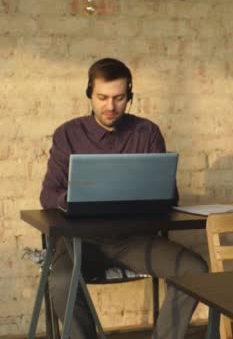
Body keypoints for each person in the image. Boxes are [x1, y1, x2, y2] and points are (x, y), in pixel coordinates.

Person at [40, 58, 208, 339]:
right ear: (89, 95)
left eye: (119, 98)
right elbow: (47, 194)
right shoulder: (68, 134)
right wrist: (76, 197)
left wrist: (158, 193)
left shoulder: (147, 132)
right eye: (102, 98)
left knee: (195, 269)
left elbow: (169, 194)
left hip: (135, 240)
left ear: (129, 96)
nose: (110, 106)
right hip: (81, 243)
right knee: (60, 281)